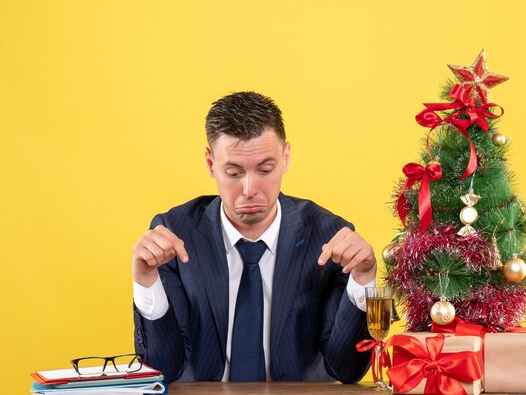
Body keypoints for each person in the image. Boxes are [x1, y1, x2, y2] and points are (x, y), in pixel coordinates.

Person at [132, 91, 376, 384]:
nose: (249, 189)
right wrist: (146, 281)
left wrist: (364, 279)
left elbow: (346, 369)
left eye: (265, 169)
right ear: (211, 164)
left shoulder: (329, 236)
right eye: (233, 172)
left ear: (285, 157)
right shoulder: (175, 233)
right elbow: (163, 371)